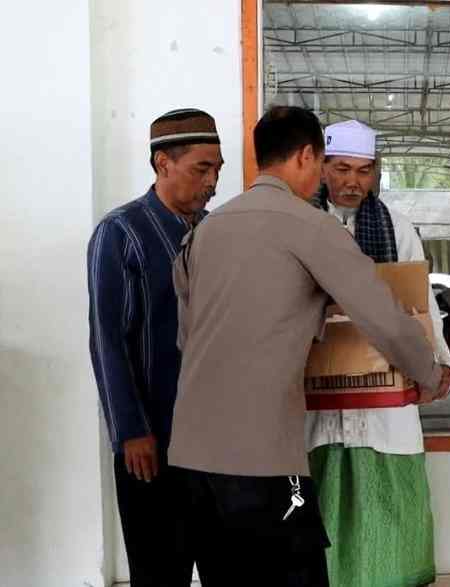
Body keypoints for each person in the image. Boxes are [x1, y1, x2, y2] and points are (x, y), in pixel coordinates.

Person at [167, 106, 450, 586]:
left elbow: (186, 337)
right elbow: (381, 314)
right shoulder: (309, 225)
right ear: (306, 157)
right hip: (262, 458)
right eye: (326, 165)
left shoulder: (203, 232)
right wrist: (430, 374)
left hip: (192, 459)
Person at [307, 119, 450, 587]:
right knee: (318, 546)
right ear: (320, 168)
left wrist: (442, 367)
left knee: (391, 547)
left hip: (385, 411)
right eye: (342, 168)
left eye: (365, 170)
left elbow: (420, 306)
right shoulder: (301, 223)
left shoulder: (397, 227)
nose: (353, 181)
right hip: (316, 413)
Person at [87, 108, 223, 586]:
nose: (212, 183)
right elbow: (108, 337)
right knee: (159, 570)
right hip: (152, 441)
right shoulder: (122, 233)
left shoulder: (216, 233)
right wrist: (130, 430)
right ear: (163, 163)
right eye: (201, 169)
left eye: (218, 170)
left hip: (217, 442)